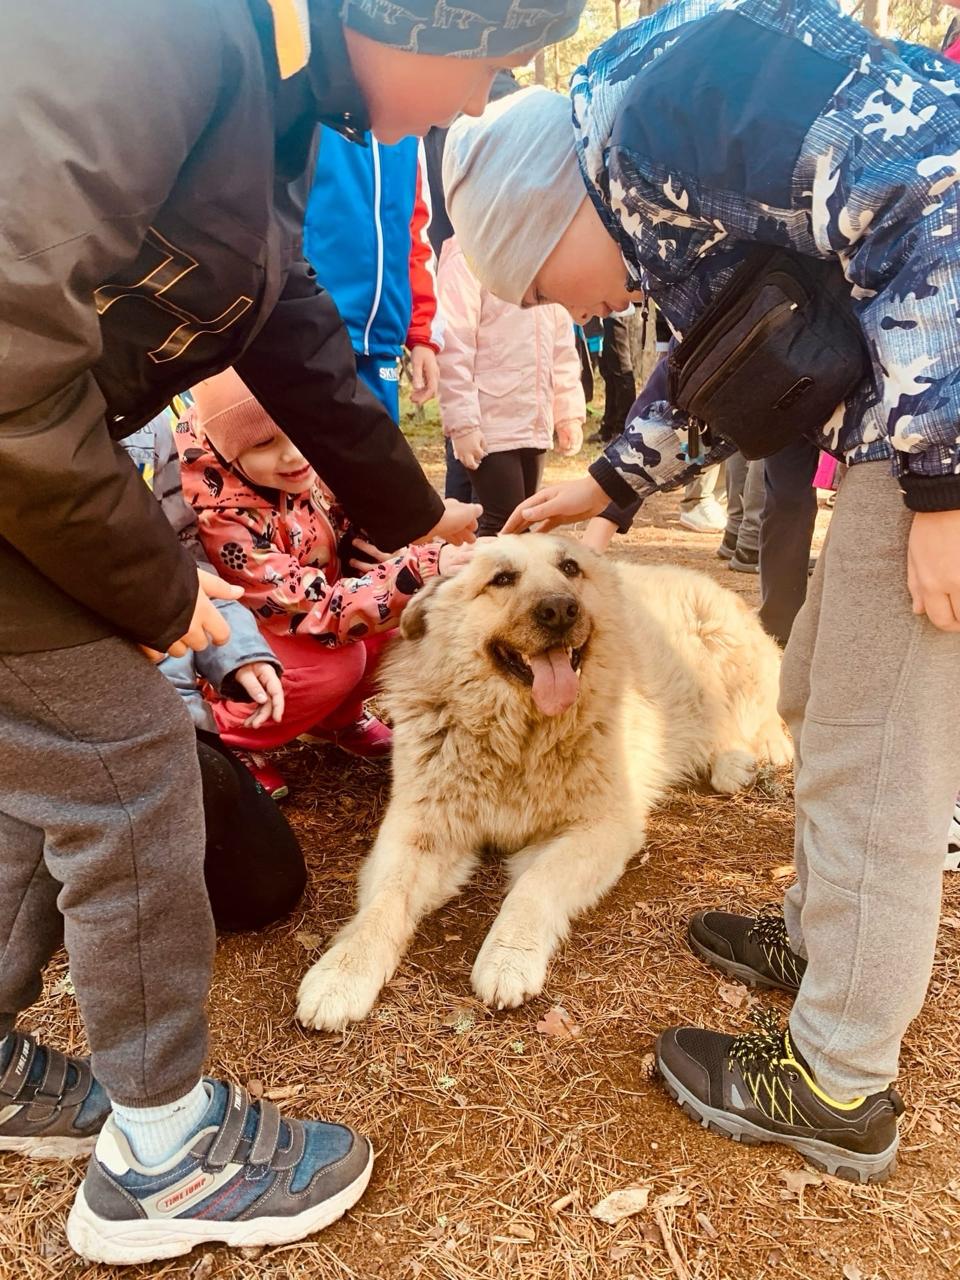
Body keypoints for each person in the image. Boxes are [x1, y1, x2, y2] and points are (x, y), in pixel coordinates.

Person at [0, 0, 584, 1264]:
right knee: (124, 770)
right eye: (492, 62)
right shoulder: (146, 32)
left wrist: (420, 520)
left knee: (30, 772)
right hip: (24, 461)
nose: (482, 100)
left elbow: (278, 310)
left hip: (35, 456)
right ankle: (162, 1157)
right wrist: (161, 592)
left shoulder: (279, 87)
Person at [443, 0, 960, 1183]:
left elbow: (937, 188)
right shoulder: (647, 160)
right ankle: (826, 933)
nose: (556, 313)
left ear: (551, 211)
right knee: (827, 687)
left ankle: (838, 1076)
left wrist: (944, 483)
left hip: (944, 387)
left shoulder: (647, 122)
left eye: (533, 285)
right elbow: (748, 338)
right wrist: (616, 482)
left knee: (881, 741)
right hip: (922, 382)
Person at [179, 367, 470, 759]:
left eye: (300, 430)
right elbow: (307, 608)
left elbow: (353, 518)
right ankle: (226, 742)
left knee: (403, 625)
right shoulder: (224, 517)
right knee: (335, 667)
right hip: (249, 639)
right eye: (264, 443)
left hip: (306, 616)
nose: (295, 454)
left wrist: (388, 545)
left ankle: (335, 719)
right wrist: (418, 569)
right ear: (230, 452)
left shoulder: (314, 462)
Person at [124, 408, 308, 912]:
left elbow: (184, 559)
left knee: (265, 889)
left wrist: (235, 652)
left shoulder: (151, 417)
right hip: (72, 705)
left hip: (172, 701)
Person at [436, 237, 585, 535]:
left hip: (534, 420)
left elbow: (561, 343)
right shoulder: (468, 257)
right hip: (490, 422)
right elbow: (454, 345)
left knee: (520, 522)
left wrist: (567, 412)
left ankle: (460, 577)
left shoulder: (542, 253)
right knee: (504, 527)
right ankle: (462, 579)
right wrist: (463, 424)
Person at [304, 129, 441, 422]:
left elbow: (416, 231)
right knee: (301, 463)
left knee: (376, 462)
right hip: (311, 332)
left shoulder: (410, 125)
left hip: (381, 343)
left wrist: (421, 335)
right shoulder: (313, 102)